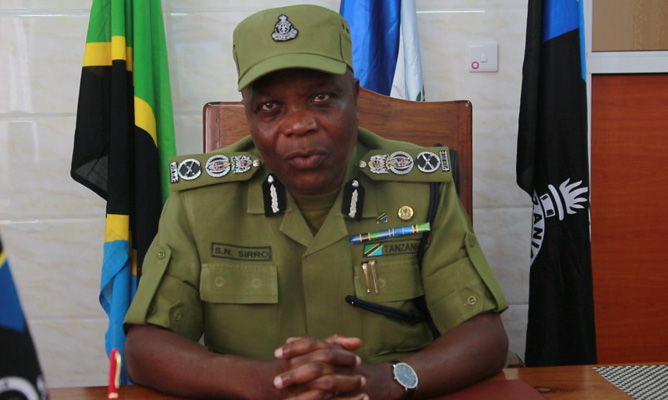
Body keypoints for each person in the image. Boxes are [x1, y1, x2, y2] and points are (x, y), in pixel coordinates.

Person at [123, 4, 509, 399]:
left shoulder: (419, 188)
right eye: (269, 107)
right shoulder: (201, 201)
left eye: (322, 97)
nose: (299, 125)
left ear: (354, 96)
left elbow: (484, 336)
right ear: (248, 113)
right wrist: (266, 382)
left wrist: (386, 380)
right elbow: (145, 348)